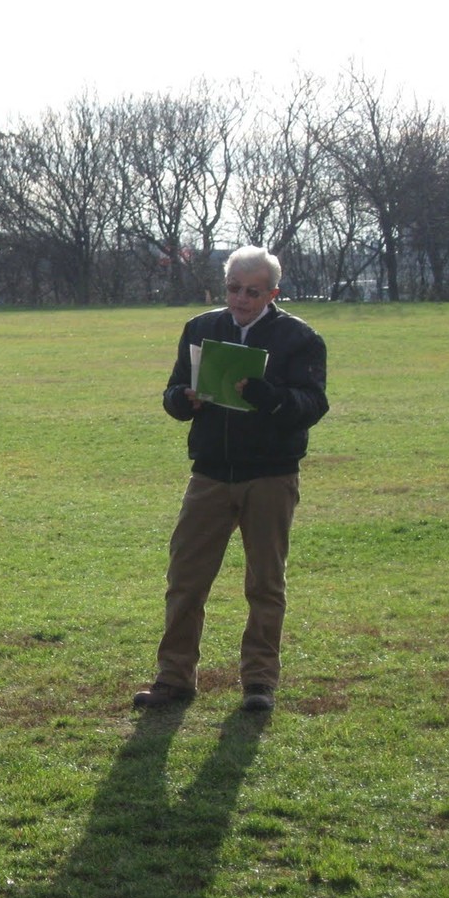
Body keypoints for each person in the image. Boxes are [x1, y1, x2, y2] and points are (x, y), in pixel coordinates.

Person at [133, 246, 328, 713]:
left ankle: (259, 682)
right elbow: (172, 392)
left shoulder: (300, 338)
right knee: (185, 579)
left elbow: (313, 404)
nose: (241, 298)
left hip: (271, 476)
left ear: (273, 294)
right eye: (233, 288)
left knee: (265, 584)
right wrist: (183, 399)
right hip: (211, 475)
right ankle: (174, 679)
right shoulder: (201, 328)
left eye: (253, 292)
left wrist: (271, 397)